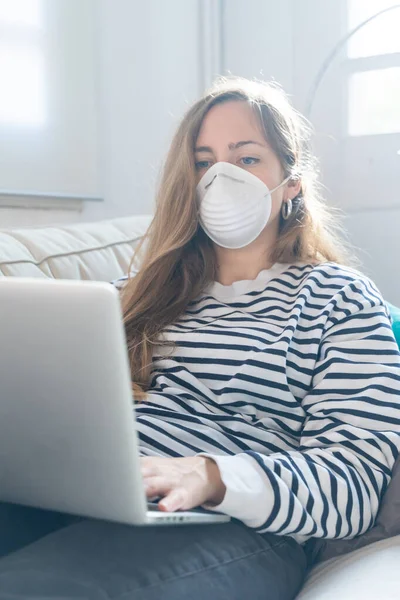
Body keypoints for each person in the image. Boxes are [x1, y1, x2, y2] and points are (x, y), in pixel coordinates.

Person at [0, 77, 399, 600]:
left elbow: (354, 485)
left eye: (247, 159)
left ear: (292, 182)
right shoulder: (132, 296)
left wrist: (212, 476)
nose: (221, 179)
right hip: (90, 497)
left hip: (231, 527)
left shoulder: (339, 300)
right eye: (203, 161)